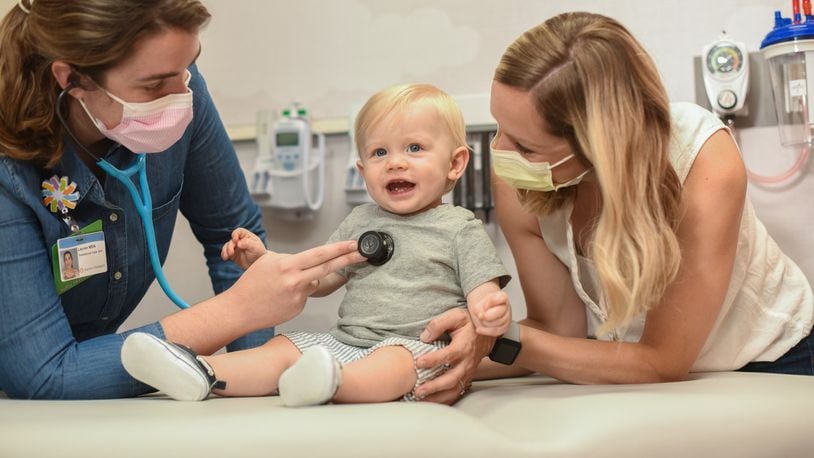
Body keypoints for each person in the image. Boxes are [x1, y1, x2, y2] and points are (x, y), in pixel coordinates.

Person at [0, 0, 366, 400]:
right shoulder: (9, 172)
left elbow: (235, 242)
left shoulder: (181, 88)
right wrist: (238, 310)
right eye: (154, 85)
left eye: (187, 68)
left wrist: (256, 385)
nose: (181, 99)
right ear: (71, 78)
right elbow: (45, 374)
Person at [452, 11, 813, 384]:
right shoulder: (519, 179)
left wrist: (501, 339)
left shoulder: (700, 156)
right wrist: (443, 356)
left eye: (526, 147)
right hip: (629, 369)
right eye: (500, 127)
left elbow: (661, 361)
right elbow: (557, 330)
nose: (501, 153)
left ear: (599, 146)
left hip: (772, 361)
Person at [120, 83, 513, 405]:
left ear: (455, 163)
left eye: (414, 148)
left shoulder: (458, 227)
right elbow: (320, 278)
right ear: (363, 170)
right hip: (344, 340)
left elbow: (483, 290)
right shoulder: (360, 220)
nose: (395, 162)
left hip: (416, 347)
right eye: (379, 152)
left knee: (392, 366)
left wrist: (487, 309)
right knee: (284, 349)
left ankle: (331, 383)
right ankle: (199, 369)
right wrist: (264, 261)